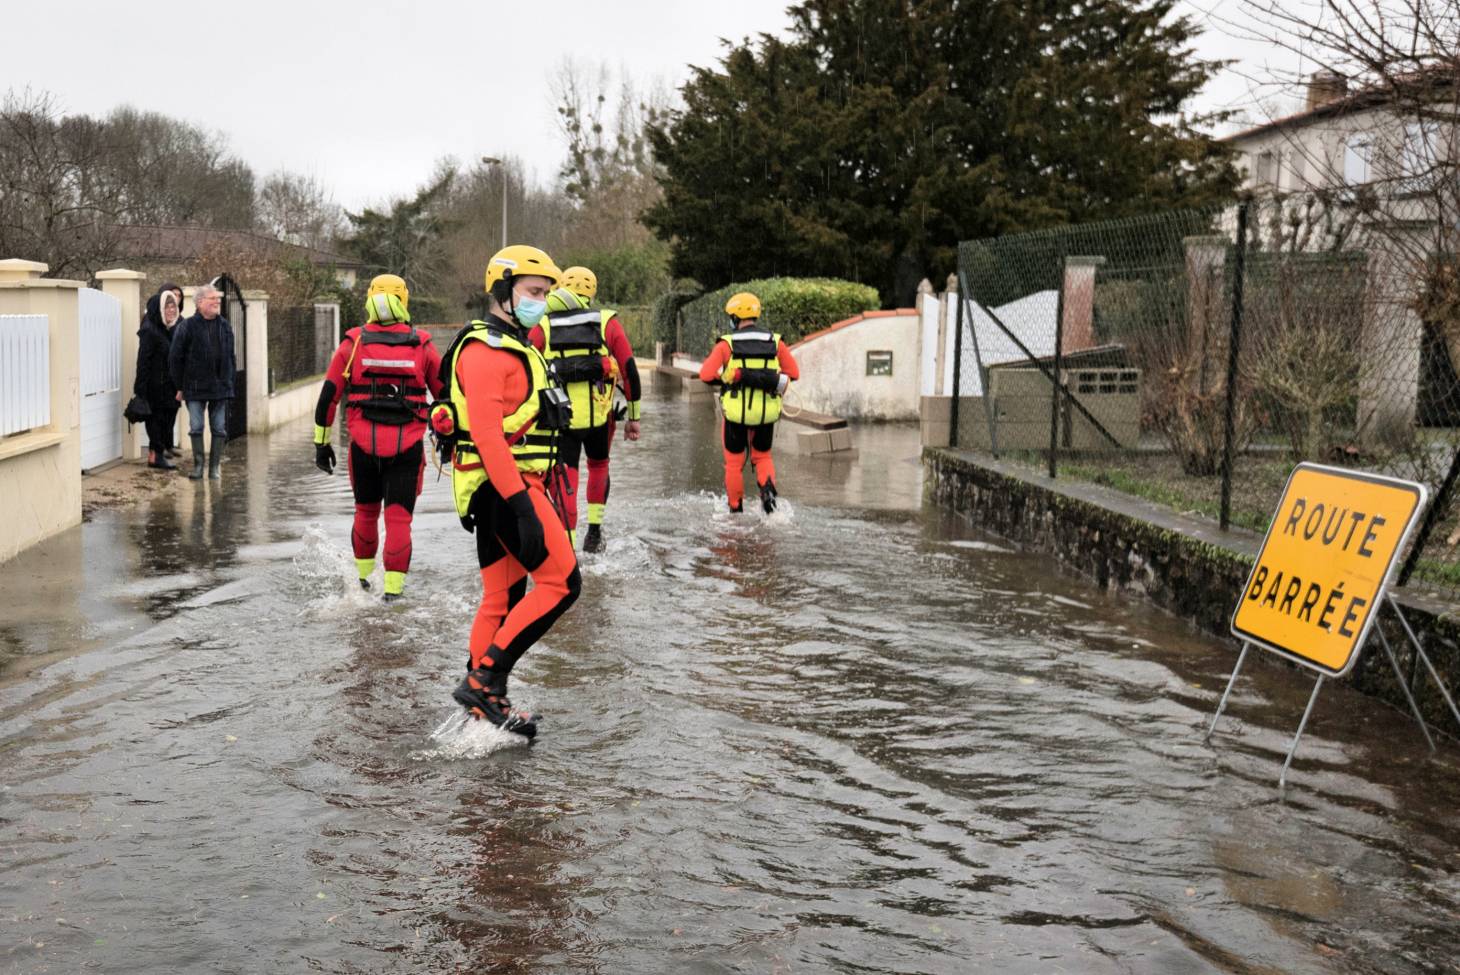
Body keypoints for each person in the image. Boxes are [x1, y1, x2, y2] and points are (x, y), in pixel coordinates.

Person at [434, 245, 580, 737]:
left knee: (502, 596)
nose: (541, 301)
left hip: (511, 485)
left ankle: (483, 709)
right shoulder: (484, 351)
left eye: (545, 293)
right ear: (502, 292)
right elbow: (489, 435)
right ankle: (485, 682)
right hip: (502, 488)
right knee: (563, 584)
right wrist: (520, 506)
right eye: (533, 292)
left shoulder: (520, 344)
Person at [312, 274, 443, 601]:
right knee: (399, 519)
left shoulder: (352, 344)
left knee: (365, 513)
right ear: (405, 300)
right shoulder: (423, 345)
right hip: (407, 447)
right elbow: (447, 396)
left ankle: (363, 583)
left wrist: (321, 443)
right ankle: (394, 595)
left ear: (369, 299)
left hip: (363, 446)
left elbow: (328, 396)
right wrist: (450, 439)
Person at [528, 265, 642, 553]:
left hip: (559, 419)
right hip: (599, 417)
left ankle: (567, 547)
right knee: (599, 466)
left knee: (566, 476)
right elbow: (629, 369)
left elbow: (526, 368)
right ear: (592, 293)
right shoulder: (607, 322)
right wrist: (634, 417)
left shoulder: (544, 324)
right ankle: (594, 532)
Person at [698, 292, 800, 513]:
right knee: (763, 457)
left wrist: (726, 379)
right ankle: (768, 494)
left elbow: (705, 374)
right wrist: (765, 379)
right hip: (766, 413)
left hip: (736, 413)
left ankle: (735, 510)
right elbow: (793, 373)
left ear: (735, 317)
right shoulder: (776, 342)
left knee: (734, 464)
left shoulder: (727, 344)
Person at [169, 284, 236, 480]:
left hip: (220, 388)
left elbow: (231, 357)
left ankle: (214, 468)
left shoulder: (225, 325)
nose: (217, 302)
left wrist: (230, 383)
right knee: (196, 427)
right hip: (194, 388)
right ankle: (199, 466)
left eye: (218, 299)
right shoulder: (186, 326)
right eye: (213, 299)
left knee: (219, 428)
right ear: (200, 303)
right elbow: (175, 359)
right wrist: (179, 386)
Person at [134, 285, 182, 470]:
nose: (171, 310)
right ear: (159, 309)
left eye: (173, 307)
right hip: (154, 388)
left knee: (165, 421)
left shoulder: (169, 329)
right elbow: (143, 361)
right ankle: (156, 456)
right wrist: (140, 390)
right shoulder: (150, 331)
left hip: (168, 387)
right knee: (156, 421)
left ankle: (156, 455)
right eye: (167, 307)